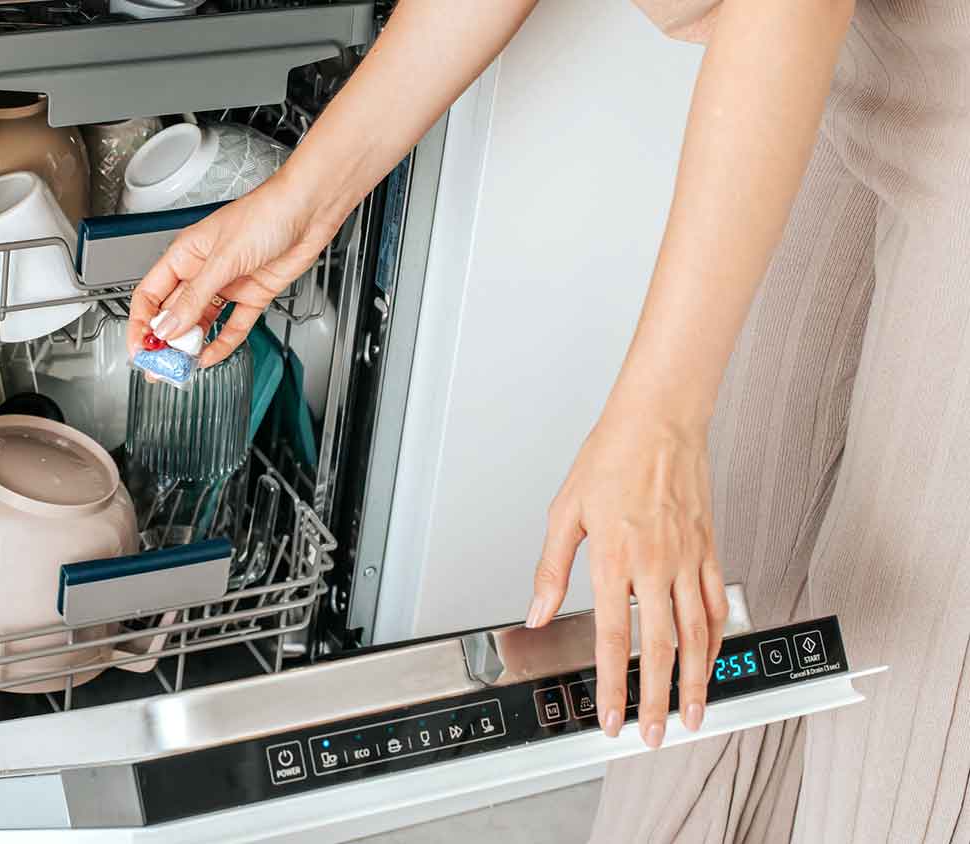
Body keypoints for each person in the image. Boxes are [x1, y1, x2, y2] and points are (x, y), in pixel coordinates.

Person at [127, 0, 970, 840]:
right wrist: (301, 205)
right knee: (708, 614)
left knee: (908, 674)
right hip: (849, 56)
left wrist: (660, 419)